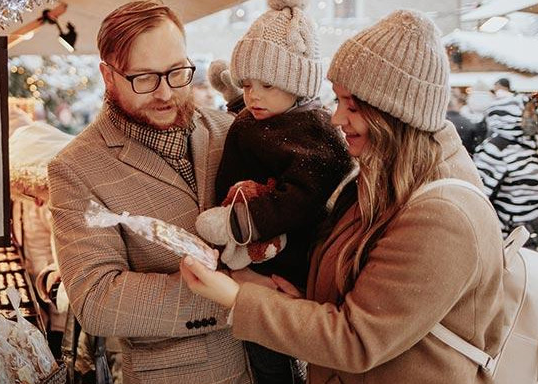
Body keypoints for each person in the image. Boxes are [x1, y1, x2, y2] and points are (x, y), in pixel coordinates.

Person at [179, 10, 506, 383]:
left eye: (351, 105)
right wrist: (300, 299)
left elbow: (355, 339)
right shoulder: (384, 173)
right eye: (336, 101)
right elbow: (373, 299)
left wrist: (237, 297)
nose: (335, 119)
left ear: (395, 113)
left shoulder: (443, 215)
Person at [46, 2, 251, 383]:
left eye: (177, 72)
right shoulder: (76, 167)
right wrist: (241, 297)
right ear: (108, 76)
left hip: (278, 364)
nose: (165, 93)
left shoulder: (232, 130)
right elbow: (96, 298)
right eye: (144, 78)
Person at [193, 0, 352, 382]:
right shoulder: (266, 116)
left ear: (298, 85)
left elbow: (301, 197)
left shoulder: (314, 133)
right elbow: (257, 143)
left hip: (284, 266)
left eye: (267, 85)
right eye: (247, 84)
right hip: (252, 260)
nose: (253, 96)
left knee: (273, 358)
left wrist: (239, 223)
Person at [475, 83, 538, 255]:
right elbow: (478, 200)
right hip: (512, 246)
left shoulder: (533, 147)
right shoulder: (496, 149)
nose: (533, 118)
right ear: (510, 116)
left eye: (533, 112)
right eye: (526, 113)